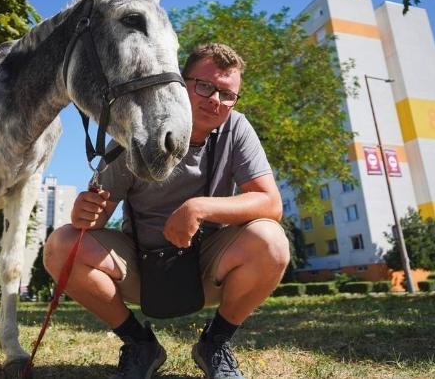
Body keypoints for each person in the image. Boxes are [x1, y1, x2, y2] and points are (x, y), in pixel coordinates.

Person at [43, 43, 289, 379]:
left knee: (271, 240)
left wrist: (200, 208)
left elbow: (271, 203)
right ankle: (138, 344)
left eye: (227, 94)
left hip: (209, 265)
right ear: (180, 83)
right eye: (204, 86)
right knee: (61, 245)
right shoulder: (137, 131)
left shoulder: (237, 128)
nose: (215, 100)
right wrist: (83, 212)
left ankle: (215, 343)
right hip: (141, 267)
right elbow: (94, 219)